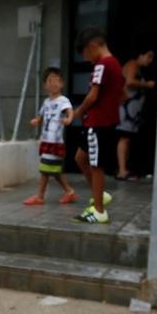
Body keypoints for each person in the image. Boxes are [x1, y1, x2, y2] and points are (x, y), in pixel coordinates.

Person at [70, 28, 125, 224]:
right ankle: (100, 194)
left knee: (96, 165)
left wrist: (78, 111)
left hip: (97, 123)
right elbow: (123, 94)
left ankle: (99, 210)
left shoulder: (102, 65)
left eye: (86, 54)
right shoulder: (115, 64)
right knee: (81, 158)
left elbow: (93, 96)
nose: (86, 59)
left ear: (92, 46)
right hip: (104, 121)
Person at [23, 67, 79, 206]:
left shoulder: (63, 100)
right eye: (50, 81)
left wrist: (69, 119)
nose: (53, 84)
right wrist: (37, 120)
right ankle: (69, 192)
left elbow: (70, 111)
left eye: (56, 80)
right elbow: (41, 115)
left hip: (56, 141)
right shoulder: (46, 102)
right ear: (45, 85)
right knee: (53, 170)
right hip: (47, 140)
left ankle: (40, 196)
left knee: (45, 169)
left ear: (62, 83)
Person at [116, 49, 156, 181]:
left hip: (133, 110)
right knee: (124, 137)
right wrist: (147, 84)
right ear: (140, 54)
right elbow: (130, 82)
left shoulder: (137, 67)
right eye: (148, 56)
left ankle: (123, 169)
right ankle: (122, 170)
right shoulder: (132, 64)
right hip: (126, 108)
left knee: (128, 138)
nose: (150, 61)